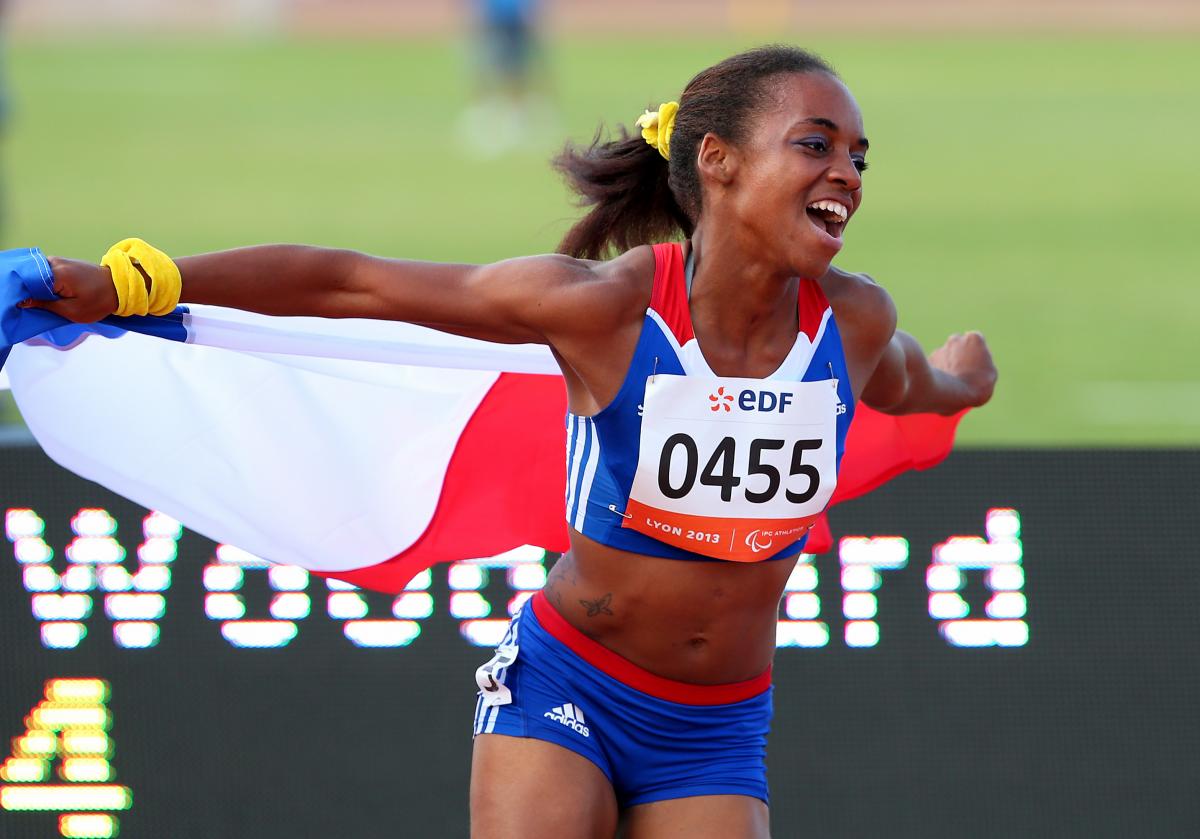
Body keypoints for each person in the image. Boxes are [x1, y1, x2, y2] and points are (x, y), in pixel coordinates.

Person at [23, 45, 995, 839]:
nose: (846, 174)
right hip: (572, 684)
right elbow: (352, 282)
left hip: (717, 723)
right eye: (816, 144)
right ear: (720, 161)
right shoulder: (607, 309)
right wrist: (132, 282)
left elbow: (908, 384)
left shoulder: (855, 323)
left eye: (860, 156)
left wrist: (962, 378)